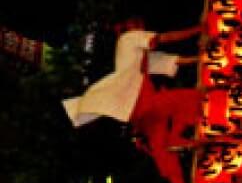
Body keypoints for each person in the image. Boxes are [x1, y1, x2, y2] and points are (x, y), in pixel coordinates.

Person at [62, 21, 198, 127]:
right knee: (190, 101)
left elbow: (173, 61)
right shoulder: (128, 38)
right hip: (138, 99)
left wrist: (200, 59)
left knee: (185, 106)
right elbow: (165, 38)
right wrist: (197, 30)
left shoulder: (136, 55)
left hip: (138, 104)